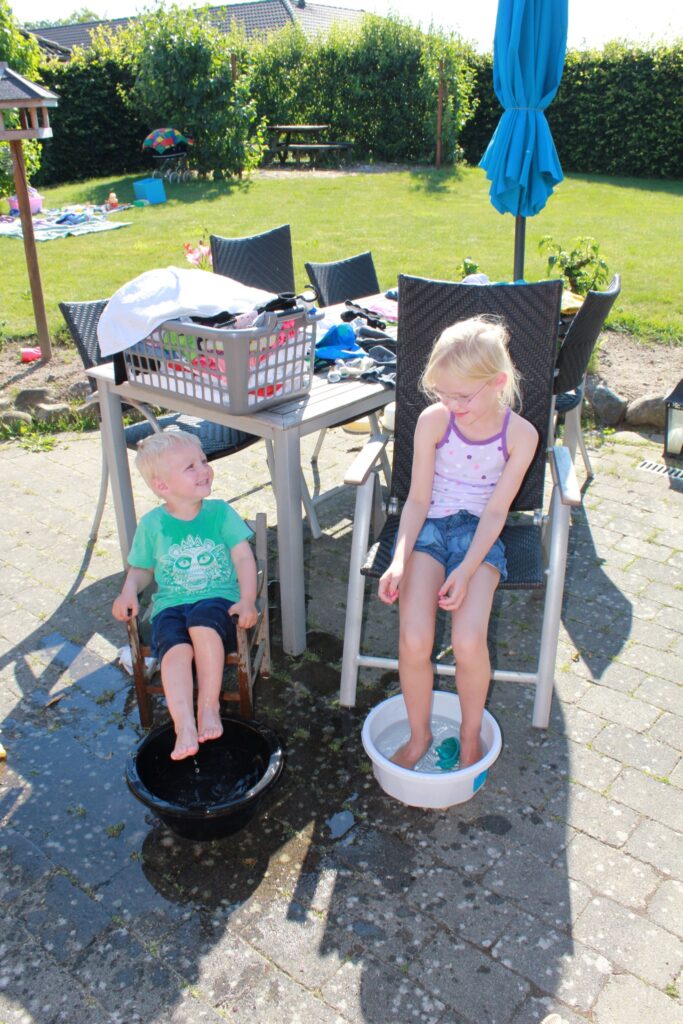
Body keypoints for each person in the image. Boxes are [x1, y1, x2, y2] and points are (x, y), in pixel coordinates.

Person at [378, 316, 538, 771]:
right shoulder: (434, 420)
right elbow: (417, 500)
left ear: (498, 382)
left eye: (462, 396)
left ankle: (470, 735)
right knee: (414, 639)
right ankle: (419, 735)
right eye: (442, 393)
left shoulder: (521, 435)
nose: (450, 404)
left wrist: (466, 570)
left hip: (480, 539)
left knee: (468, 641)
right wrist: (398, 559)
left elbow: (496, 513)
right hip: (429, 529)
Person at [112, 431, 258, 761]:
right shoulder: (152, 524)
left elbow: (243, 558)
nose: (204, 469)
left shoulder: (220, 513)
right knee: (174, 649)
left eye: (203, 461)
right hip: (170, 605)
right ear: (162, 485)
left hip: (218, 600)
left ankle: (208, 706)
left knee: (202, 625)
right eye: (190, 466)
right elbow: (142, 568)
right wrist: (128, 591)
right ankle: (183, 725)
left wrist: (247, 599)